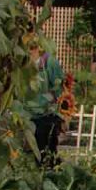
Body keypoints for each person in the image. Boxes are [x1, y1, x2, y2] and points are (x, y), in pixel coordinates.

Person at [27, 40, 66, 168]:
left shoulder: (49, 63)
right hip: (26, 116)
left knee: (46, 155)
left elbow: (60, 88)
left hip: (46, 116)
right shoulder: (21, 64)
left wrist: (44, 100)